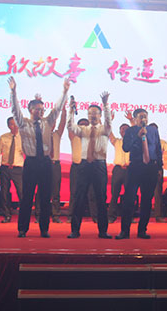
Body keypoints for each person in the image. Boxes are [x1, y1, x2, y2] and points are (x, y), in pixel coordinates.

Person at [9, 76, 70, 238]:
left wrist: (65, 91)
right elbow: (15, 110)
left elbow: (57, 109)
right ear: (30, 110)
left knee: (45, 197)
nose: (41, 112)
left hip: (45, 163)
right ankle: (22, 229)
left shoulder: (47, 122)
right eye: (37, 109)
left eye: (42, 109)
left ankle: (44, 229)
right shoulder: (23, 123)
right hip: (30, 163)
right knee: (27, 197)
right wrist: (13, 92)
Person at [67, 92, 112, 239]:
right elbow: (70, 126)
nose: (92, 116)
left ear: (100, 115)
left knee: (101, 198)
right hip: (84, 165)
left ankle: (103, 231)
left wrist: (105, 104)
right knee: (79, 197)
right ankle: (75, 230)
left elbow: (109, 121)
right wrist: (71, 110)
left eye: (95, 113)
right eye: (90, 113)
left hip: (99, 165)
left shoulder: (104, 129)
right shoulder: (83, 130)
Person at [116, 108, 162, 239]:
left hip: (150, 168)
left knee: (147, 200)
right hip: (135, 167)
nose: (143, 119)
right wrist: (137, 136)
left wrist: (159, 167)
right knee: (129, 199)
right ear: (135, 119)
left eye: (145, 116)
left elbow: (158, 149)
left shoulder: (153, 130)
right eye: (141, 117)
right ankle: (124, 231)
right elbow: (126, 148)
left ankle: (142, 230)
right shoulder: (130, 131)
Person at [35, 108, 66, 223]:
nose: (52, 125)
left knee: (56, 191)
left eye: (54, 123)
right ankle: (39, 214)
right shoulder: (41, 134)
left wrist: (64, 112)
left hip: (55, 164)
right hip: (43, 163)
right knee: (40, 190)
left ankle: (55, 215)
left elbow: (63, 123)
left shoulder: (57, 134)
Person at [0, 117, 24, 223]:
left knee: (21, 192)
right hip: (5, 167)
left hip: (18, 168)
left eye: (16, 124)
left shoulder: (23, 137)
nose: (15, 126)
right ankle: (7, 215)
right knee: (4, 192)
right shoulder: (3, 137)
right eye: (12, 124)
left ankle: (23, 215)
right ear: (8, 126)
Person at [67, 117, 89, 223]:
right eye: (81, 125)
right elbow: (69, 126)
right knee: (74, 192)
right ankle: (71, 215)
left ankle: (95, 216)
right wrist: (70, 111)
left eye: (85, 125)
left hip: (89, 166)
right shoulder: (74, 136)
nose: (83, 127)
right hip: (76, 166)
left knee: (92, 193)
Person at [107, 123, 130, 223]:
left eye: (126, 129)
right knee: (114, 194)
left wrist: (131, 120)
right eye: (122, 129)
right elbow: (109, 133)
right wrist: (109, 121)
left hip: (129, 170)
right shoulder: (116, 141)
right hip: (118, 170)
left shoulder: (134, 142)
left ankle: (128, 217)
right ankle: (111, 216)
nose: (124, 130)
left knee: (129, 195)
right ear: (120, 131)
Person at [151, 123, 167, 223]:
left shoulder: (162, 142)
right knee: (145, 192)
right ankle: (144, 215)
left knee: (158, 193)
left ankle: (158, 215)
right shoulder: (144, 140)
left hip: (158, 168)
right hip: (145, 168)